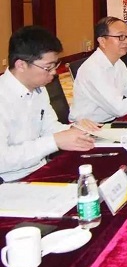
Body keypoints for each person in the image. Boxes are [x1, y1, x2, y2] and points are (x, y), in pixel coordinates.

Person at [0, 26, 98, 181]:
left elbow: (49, 127)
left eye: (55, 66)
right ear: (21, 65)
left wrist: (75, 129)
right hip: (9, 181)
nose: (54, 72)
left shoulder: (38, 88)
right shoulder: (3, 97)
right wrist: (54, 141)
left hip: (39, 170)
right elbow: (3, 160)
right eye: (48, 67)